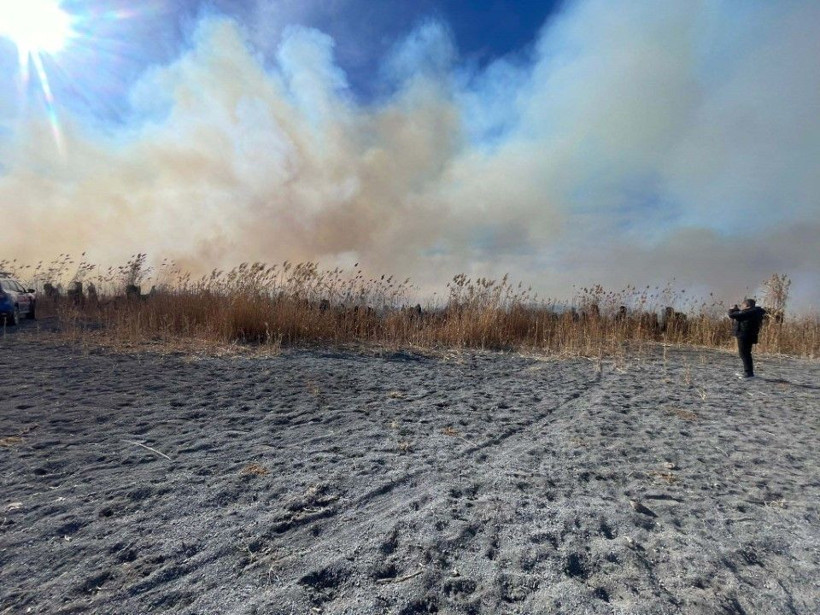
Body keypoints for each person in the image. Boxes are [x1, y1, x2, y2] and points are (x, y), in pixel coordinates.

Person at [728, 299, 766, 379]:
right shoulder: (754, 312)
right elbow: (741, 315)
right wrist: (737, 310)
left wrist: (731, 309)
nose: (742, 307)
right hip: (749, 335)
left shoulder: (750, 312)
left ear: (747, 306)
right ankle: (749, 372)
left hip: (744, 335)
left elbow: (732, 315)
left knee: (744, 354)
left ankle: (748, 373)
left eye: (743, 305)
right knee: (746, 354)